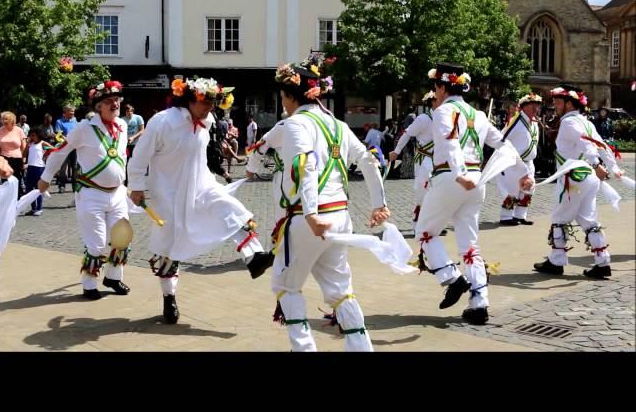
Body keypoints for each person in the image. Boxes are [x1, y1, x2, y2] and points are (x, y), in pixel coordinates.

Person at [128, 77, 273, 324]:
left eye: (212, 103)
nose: (209, 107)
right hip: (169, 194)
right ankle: (169, 297)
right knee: (169, 248)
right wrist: (136, 186)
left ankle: (254, 257)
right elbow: (140, 155)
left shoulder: (207, 122)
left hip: (201, 185)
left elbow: (205, 155)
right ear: (189, 99)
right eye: (205, 102)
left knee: (232, 208)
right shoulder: (163, 121)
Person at [271, 59, 390, 351]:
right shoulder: (338, 125)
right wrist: (379, 204)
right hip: (339, 216)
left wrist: (311, 213)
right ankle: (361, 348)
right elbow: (369, 159)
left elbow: (305, 166)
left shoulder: (296, 124)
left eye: (282, 96)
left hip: (308, 220)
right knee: (340, 290)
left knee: (286, 287)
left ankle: (303, 349)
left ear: (288, 96)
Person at [415, 63, 533, 325]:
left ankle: (451, 278)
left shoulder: (444, 111)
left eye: (435, 88)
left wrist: (459, 172)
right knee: (469, 244)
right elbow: (502, 144)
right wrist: (524, 171)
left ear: (443, 87)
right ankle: (479, 303)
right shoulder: (479, 115)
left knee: (424, 234)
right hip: (476, 182)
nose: (434, 93)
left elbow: (450, 141)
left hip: (451, 178)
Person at [38, 81, 133, 300]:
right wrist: (45, 178)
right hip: (91, 193)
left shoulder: (123, 125)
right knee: (97, 243)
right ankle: (89, 284)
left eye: (117, 101)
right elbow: (60, 153)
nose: (115, 104)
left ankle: (113, 277)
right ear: (98, 106)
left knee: (122, 238)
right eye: (109, 101)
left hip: (117, 193)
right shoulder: (84, 128)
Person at [533, 84, 624, 279]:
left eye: (558, 102)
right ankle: (602, 261)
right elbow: (601, 144)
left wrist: (598, 164)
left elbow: (587, 144)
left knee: (559, 218)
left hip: (573, 178)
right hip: (588, 178)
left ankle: (557, 261)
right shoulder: (586, 122)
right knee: (588, 219)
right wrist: (612, 166)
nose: (555, 106)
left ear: (569, 103)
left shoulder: (569, 122)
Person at [390, 91, 439, 231]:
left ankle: (434, 224)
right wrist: (396, 151)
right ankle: (418, 225)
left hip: (441, 160)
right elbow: (407, 134)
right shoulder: (423, 118)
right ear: (433, 102)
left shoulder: (444, 118)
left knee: (438, 191)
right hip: (425, 160)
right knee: (423, 191)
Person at [497, 93, 541, 226]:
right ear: (524, 107)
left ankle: (520, 215)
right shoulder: (516, 121)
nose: (536, 108)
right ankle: (506, 216)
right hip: (515, 162)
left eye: (537, 105)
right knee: (513, 189)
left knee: (528, 188)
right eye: (533, 105)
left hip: (529, 161)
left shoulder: (533, 122)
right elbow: (501, 138)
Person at [0, 111, 27, 198]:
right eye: (2, 119)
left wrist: (23, 161)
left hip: (17, 159)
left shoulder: (19, 130)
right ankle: (6, 202)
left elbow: (24, 147)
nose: (3, 121)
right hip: (4, 159)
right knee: (4, 181)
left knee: (16, 180)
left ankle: (16, 201)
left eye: (6, 119)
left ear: (11, 120)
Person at [24, 128, 52, 216]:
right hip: (30, 167)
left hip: (39, 168)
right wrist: (27, 145)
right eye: (31, 135)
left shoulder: (43, 143)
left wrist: (46, 157)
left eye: (33, 135)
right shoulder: (30, 144)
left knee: (39, 188)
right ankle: (33, 208)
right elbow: (24, 154)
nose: (32, 137)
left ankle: (39, 208)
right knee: (29, 189)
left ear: (38, 135)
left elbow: (53, 150)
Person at [54, 104, 78, 193]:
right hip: (64, 147)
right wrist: (67, 140)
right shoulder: (59, 122)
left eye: (73, 111)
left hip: (74, 147)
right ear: (65, 112)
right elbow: (58, 135)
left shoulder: (75, 121)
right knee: (63, 168)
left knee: (75, 167)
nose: (73, 113)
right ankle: (62, 186)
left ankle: (75, 186)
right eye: (71, 111)